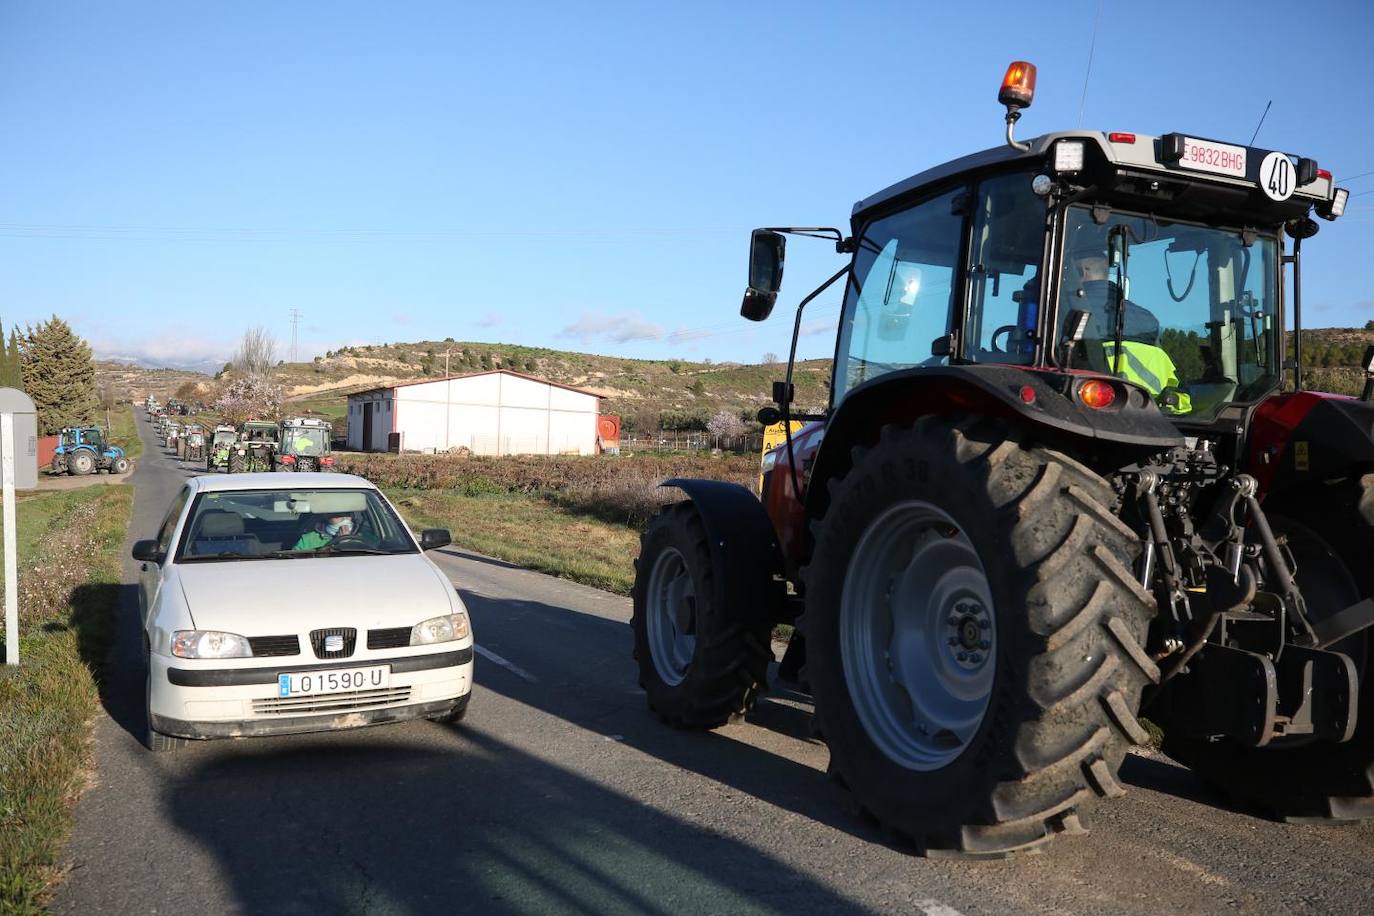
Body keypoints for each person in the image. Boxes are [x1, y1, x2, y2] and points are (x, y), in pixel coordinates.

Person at [1065, 240, 1191, 414]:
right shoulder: (1148, 319)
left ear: (1081, 272)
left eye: (1068, 274)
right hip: (1155, 418)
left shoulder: (1067, 312)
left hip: (1092, 412)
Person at [293, 513, 360, 551]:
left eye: (348, 515)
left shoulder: (359, 537)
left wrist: (346, 545)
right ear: (327, 516)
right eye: (338, 515)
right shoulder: (308, 539)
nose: (344, 520)